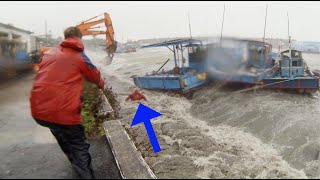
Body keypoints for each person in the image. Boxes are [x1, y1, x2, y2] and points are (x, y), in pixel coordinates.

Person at [30, 27, 105, 179]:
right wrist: (102, 85)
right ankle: (82, 172)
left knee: (65, 140)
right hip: (63, 112)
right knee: (79, 149)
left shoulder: (50, 52)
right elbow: (95, 76)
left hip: (40, 111)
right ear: (79, 38)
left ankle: (76, 166)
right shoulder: (79, 55)